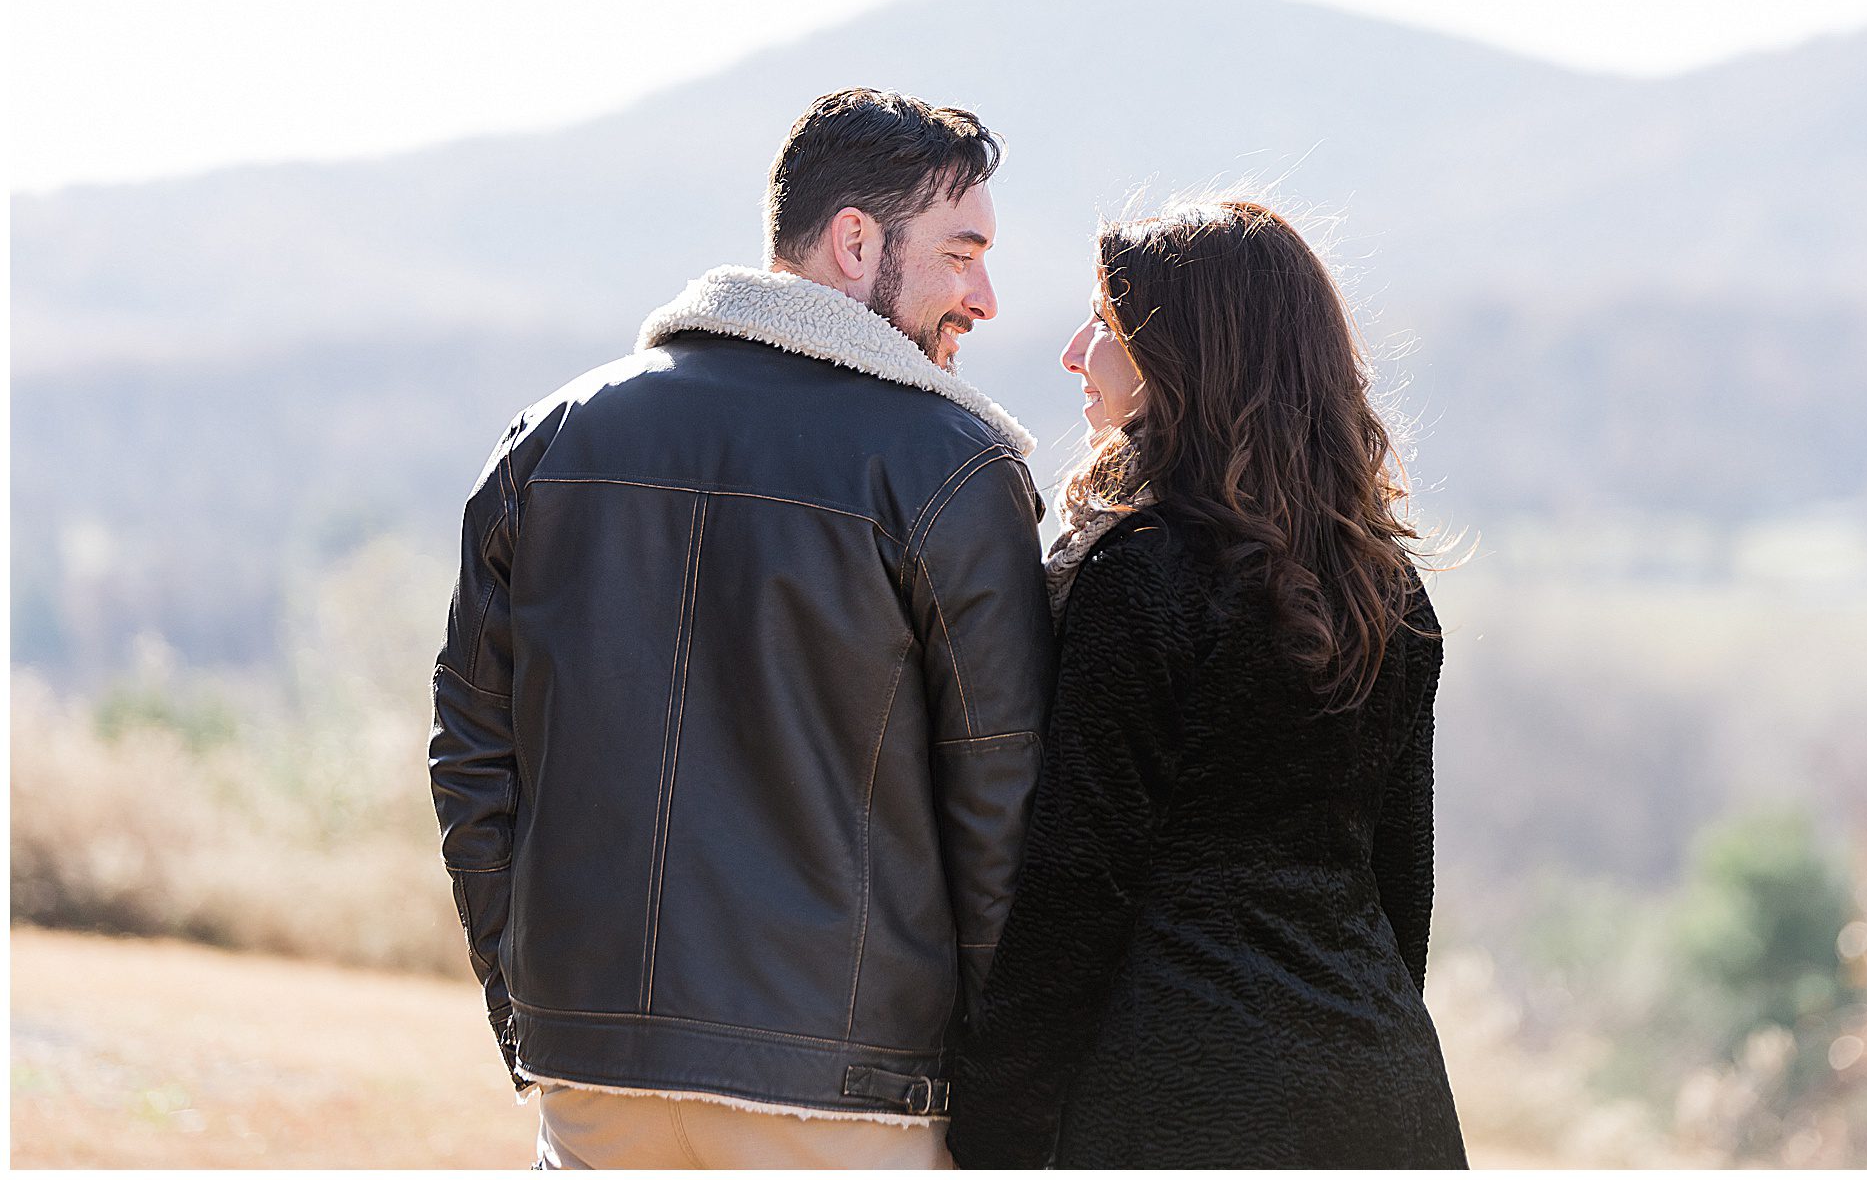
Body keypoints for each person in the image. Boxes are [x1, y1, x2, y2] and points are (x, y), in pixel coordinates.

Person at [428, 88, 1056, 1169]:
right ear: (854, 242)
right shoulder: (952, 469)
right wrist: (1008, 1100)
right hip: (853, 1100)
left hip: (593, 1082)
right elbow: (1005, 811)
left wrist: (537, 1005)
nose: (985, 296)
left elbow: (473, 760)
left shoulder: (554, 437)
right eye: (961, 252)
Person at [945, 200, 1467, 1168]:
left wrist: (991, 1133)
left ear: (1179, 358)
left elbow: (1075, 882)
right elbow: (1401, 896)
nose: (1074, 352)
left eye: (1104, 324)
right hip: (1379, 1088)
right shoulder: (1387, 592)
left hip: (1180, 1096)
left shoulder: (1136, 580)